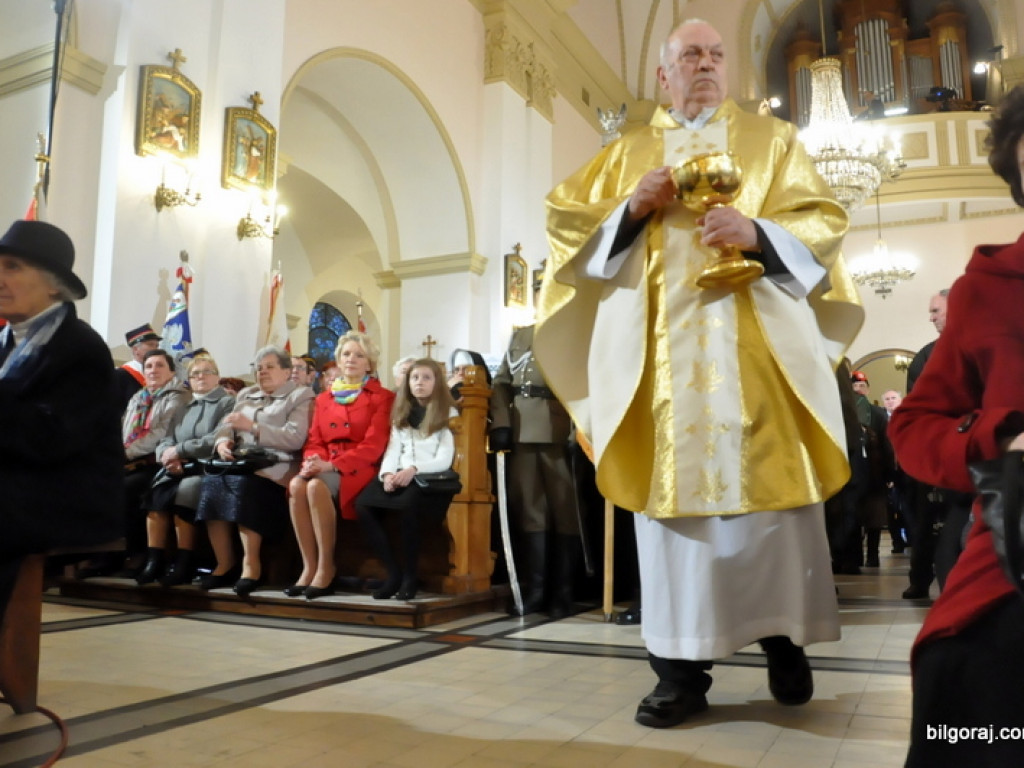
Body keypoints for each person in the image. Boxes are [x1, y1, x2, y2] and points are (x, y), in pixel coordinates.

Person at [534, 19, 859, 728]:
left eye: (716, 55)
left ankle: (786, 644)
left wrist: (759, 234)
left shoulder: (774, 143)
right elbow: (563, 222)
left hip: (760, 360)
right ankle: (680, 673)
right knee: (674, 527)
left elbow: (824, 221)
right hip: (664, 374)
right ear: (663, 76)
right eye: (690, 56)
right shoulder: (627, 152)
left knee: (774, 517)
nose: (705, 66)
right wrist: (632, 207)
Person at [888, 84, 1024, 767]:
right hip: (1014, 543)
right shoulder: (987, 288)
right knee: (966, 684)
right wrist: (997, 439)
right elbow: (915, 426)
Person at [0, 220, 123, 618]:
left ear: (54, 284)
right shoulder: (7, 341)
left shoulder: (80, 347)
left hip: (66, 493)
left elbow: (51, 440)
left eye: (13, 267)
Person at [490, 276, 583, 619]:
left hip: (560, 432)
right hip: (521, 431)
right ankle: (536, 592)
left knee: (565, 513)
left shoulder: (574, 332)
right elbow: (501, 382)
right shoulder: (521, 334)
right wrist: (501, 423)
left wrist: (579, 432)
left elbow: (582, 385)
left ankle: (563, 593)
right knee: (530, 511)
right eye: (540, 294)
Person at [195, 347, 314, 596]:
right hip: (242, 462)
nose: (263, 372)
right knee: (211, 484)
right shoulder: (247, 394)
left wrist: (253, 427)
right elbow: (226, 426)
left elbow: (295, 438)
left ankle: (251, 566)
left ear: (286, 371)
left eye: (270, 367)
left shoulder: (301, 396)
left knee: (246, 486)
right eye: (259, 368)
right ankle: (224, 563)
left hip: (277, 467)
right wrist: (223, 441)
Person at [287, 331, 394, 599]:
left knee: (315, 488)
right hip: (325, 464)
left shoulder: (382, 397)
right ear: (338, 359)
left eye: (359, 355)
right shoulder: (324, 398)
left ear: (370, 363)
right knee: (297, 484)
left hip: (359, 469)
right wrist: (313, 460)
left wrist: (331, 466)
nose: (352, 359)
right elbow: (314, 439)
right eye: (346, 354)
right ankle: (308, 566)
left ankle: (326, 567)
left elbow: (374, 446)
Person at [356, 358, 458, 600]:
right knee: (364, 505)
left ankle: (411, 577)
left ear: (437, 382)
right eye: (414, 378)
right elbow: (393, 449)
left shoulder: (448, 413)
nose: (419, 383)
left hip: (431, 480)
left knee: (408, 506)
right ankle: (393, 573)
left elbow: (444, 458)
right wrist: (388, 474)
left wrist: (413, 469)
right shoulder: (402, 411)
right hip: (400, 474)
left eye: (426, 378)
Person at [137, 354, 235, 586]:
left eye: (206, 372)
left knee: (186, 492)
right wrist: (166, 455)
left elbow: (216, 437)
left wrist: (179, 450)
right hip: (176, 465)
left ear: (217, 377)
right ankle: (155, 560)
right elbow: (166, 438)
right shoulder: (184, 405)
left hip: (206, 467)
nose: (200, 377)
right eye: (194, 374)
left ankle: (185, 561)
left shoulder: (227, 402)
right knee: (156, 494)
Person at [114, 348, 190, 577]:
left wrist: (126, 453)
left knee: (129, 489)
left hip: (157, 461)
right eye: (149, 366)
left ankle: (139, 553)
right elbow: (124, 429)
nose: (153, 370)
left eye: (159, 366)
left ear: (171, 371)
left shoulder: (179, 397)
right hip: (129, 458)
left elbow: (161, 433)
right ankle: (105, 555)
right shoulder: (139, 396)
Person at [114, 323, 161, 410]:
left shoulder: (162, 373)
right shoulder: (121, 375)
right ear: (136, 349)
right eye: (151, 345)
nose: (156, 349)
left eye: (157, 346)